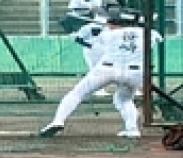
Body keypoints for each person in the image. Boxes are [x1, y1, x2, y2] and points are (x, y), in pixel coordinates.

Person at [39, 7, 163, 139]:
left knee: (77, 93)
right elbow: (156, 38)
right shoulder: (151, 33)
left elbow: (97, 40)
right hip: (135, 73)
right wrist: (139, 26)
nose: (109, 23)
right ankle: (132, 130)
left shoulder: (107, 34)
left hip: (106, 69)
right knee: (124, 99)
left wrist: (118, 26)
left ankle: (58, 121)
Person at [69, 8, 110, 96]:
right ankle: (95, 89)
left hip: (103, 50)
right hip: (91, 51)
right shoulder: (87, 27)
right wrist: (90, 45)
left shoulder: (106, 27)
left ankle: (100, 88)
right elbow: (78, 39)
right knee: (94, 69)